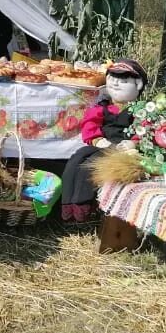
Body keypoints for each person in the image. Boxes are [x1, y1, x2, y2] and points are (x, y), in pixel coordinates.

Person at [59, 60, 148, 222]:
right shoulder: (102, 107)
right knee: (76, 159)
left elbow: (145, 129)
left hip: (122, 149)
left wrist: (134, 142)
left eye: (123, 80)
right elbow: (90, 124)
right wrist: (97, 140)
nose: (116, 83)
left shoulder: (140, 110)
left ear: (138, 85)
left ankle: (82, 203)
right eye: (112, 78)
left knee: (91, 165)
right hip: (103, 144)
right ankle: (66, 202)